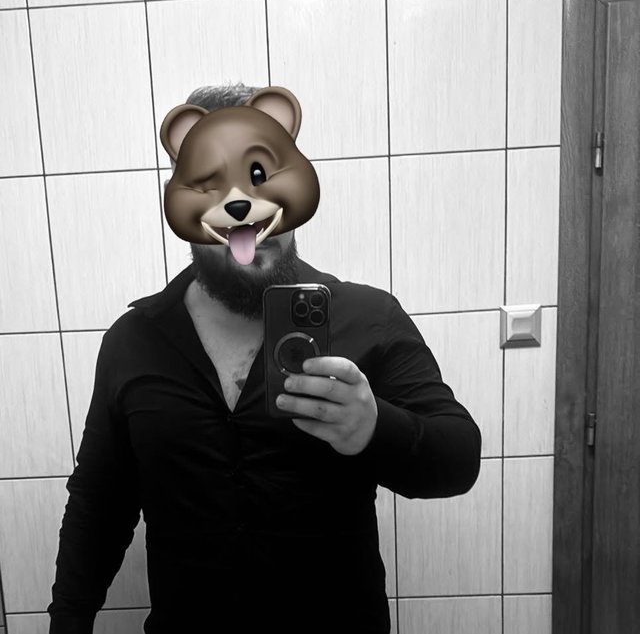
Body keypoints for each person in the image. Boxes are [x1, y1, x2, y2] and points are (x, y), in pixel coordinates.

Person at [48, 84, 481, 634]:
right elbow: (99, 504)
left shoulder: (369, 317)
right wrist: (68, 622)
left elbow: (458, 457)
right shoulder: (133, 341)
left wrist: (375, 428)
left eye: (259, 175)